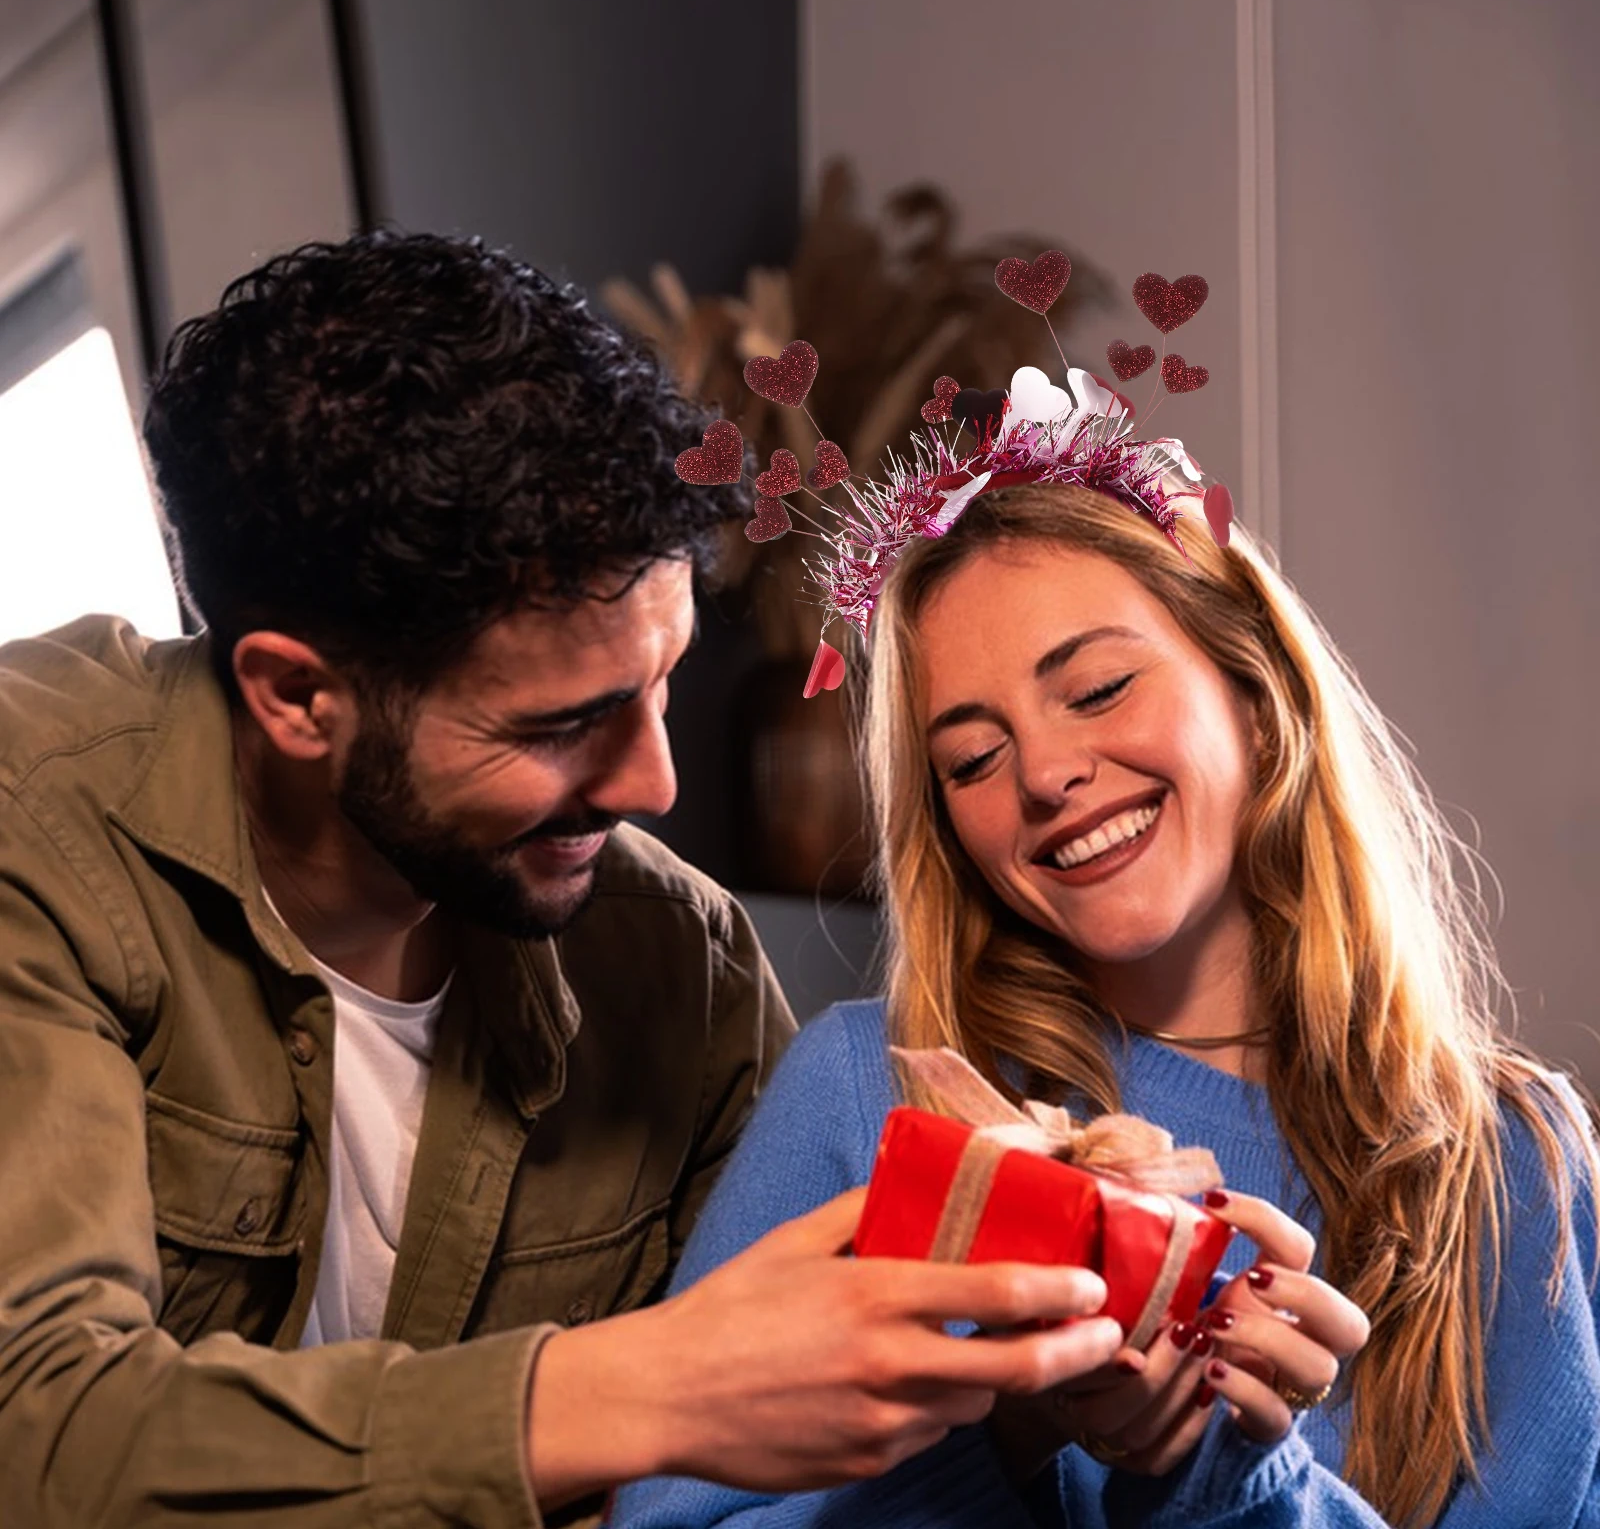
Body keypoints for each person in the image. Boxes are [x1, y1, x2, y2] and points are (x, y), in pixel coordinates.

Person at [0, 233, 1136, 1529]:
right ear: (298, 697)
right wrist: (645, 1388)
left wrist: (1045, 1403)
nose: (655, 783)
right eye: (558, 728)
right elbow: (42, 1437)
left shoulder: (679, 967)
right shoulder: (31, 836)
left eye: (664, 683)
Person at [611, 477, 1600, 1526]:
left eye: (1096, 690)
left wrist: (1227, 1477)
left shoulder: (1510, 1162)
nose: (1043, 772)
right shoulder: (867, 1094)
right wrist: (1009, 1432)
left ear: (1256, 700)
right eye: (972, 757)